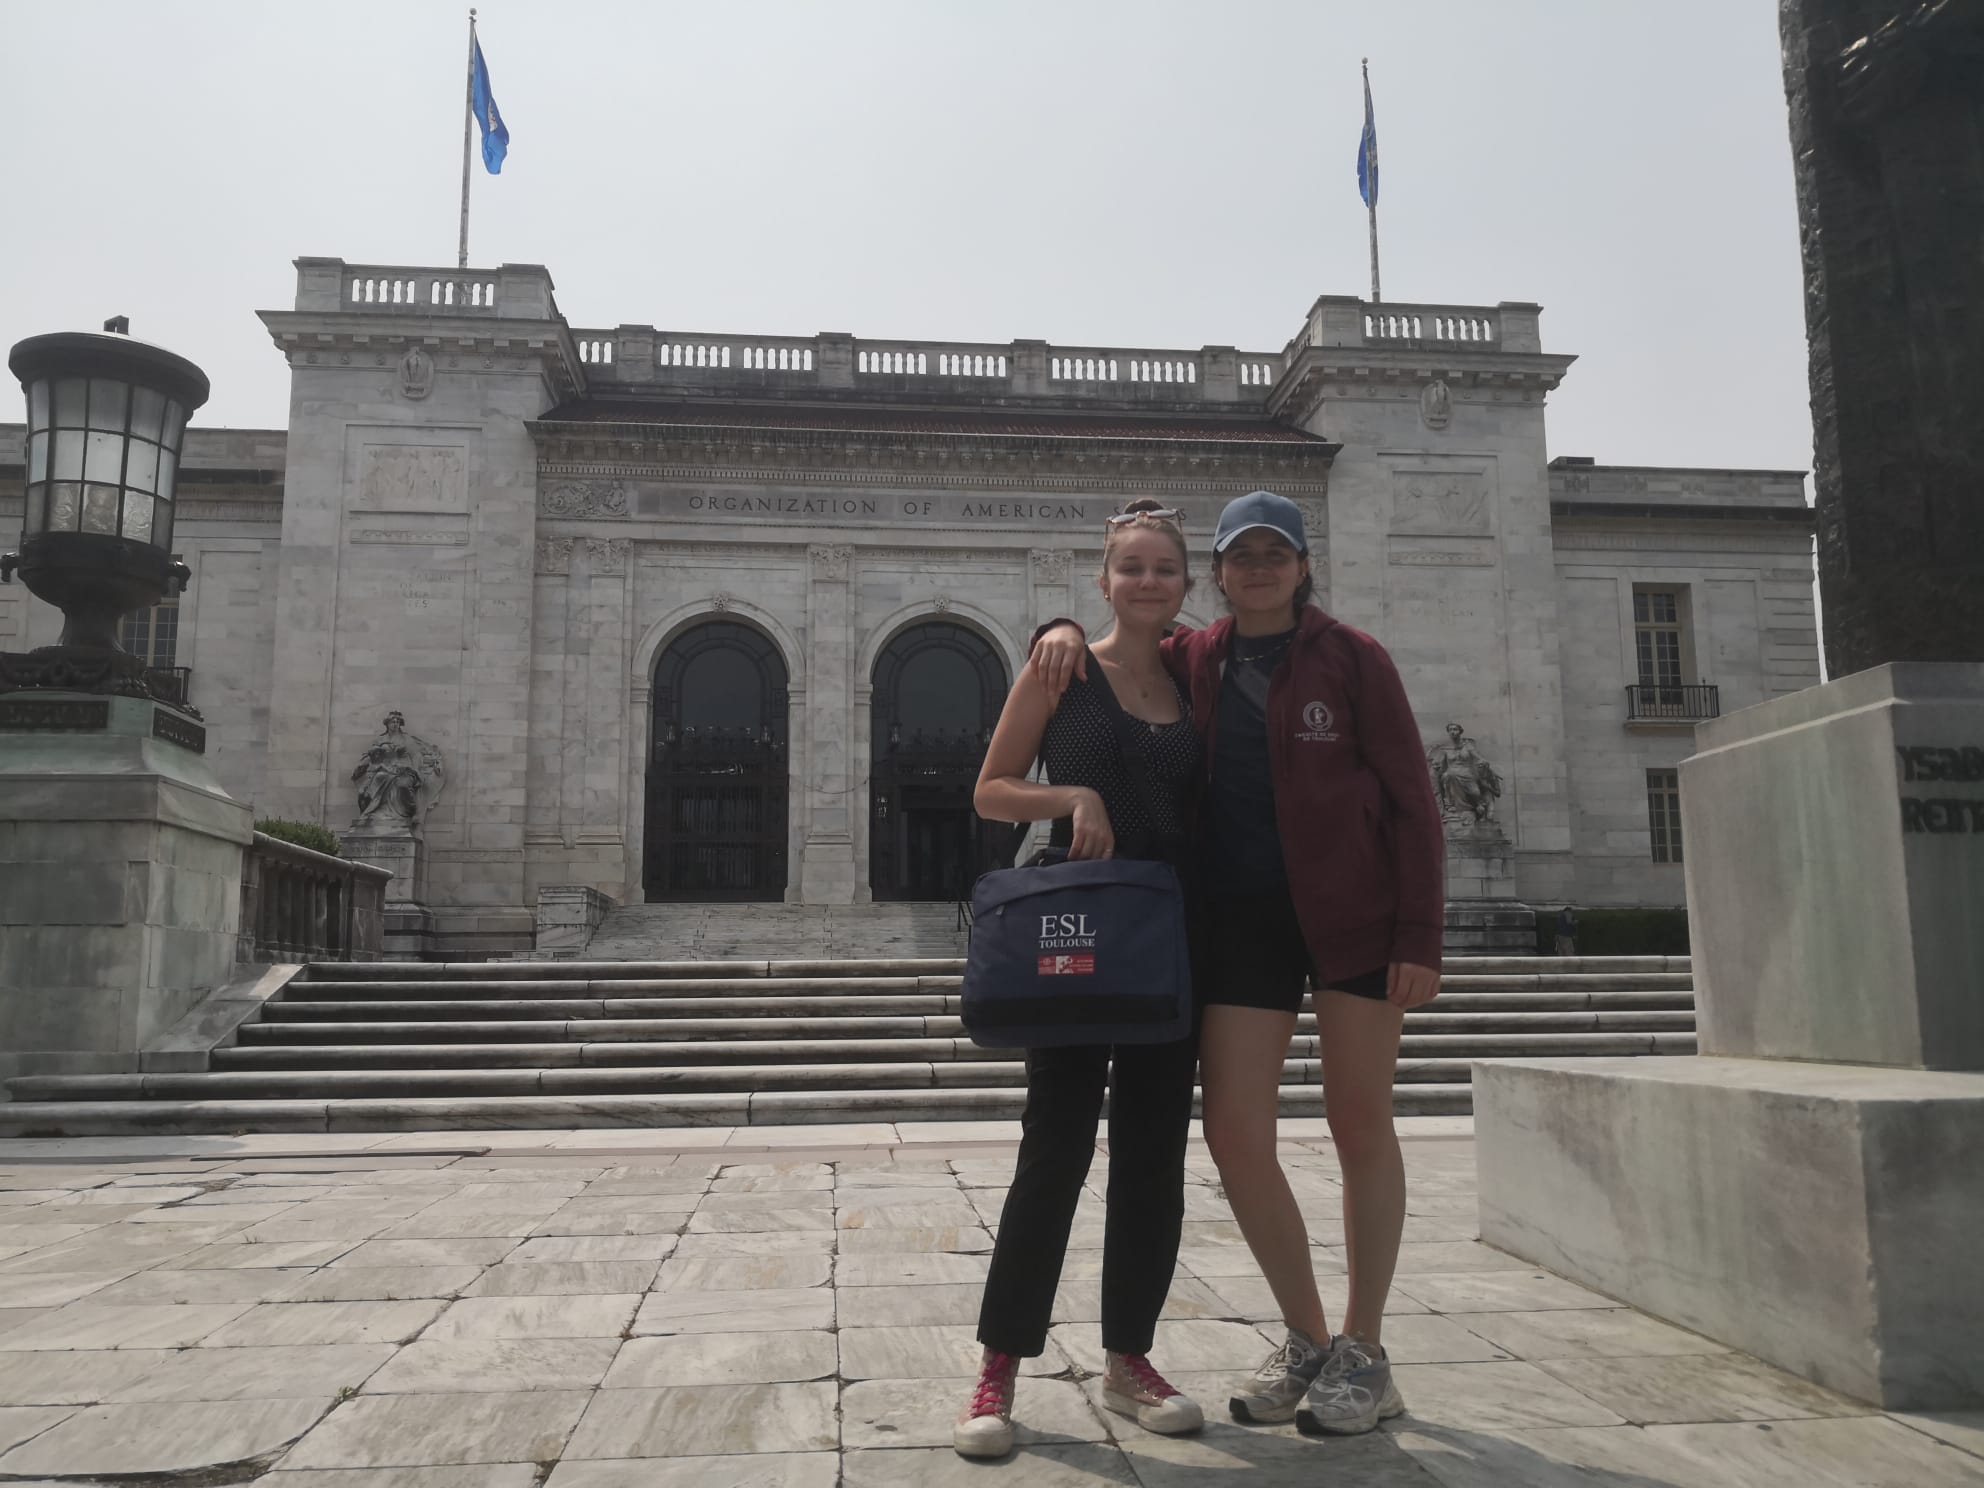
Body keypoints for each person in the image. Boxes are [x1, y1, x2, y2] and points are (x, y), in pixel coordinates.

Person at [1031, 489, 1445, 1437]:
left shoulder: (1353, 657)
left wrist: (1420, 933)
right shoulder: (1195, 656)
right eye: (1240, 553)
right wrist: (1056, 624)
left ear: (1303, 565)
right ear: (1217, 572)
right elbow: (1118, 647)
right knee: (1234, 1134)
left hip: (1356, 919)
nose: (1258, 566)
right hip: (1239, 924)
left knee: (1358, 1122)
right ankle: (1307, 1338)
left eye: (1277, 551)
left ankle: (1366, 1351)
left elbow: (1414, 799)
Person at [955, 499, 1208, 1459]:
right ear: (1102, 582)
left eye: (1165, 569)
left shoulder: (1196, 677)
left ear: (1187, 584)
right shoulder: (1061, 664)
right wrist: (1074, 793)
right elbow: (990, 787)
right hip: (1079, 932)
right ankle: (1000, 1364)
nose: (1147, 581)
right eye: (1129, 567)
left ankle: (1129, 1359)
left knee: (1152, 1157)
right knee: (1053, 1149)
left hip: (1172, 937)